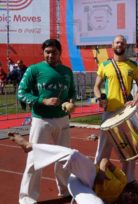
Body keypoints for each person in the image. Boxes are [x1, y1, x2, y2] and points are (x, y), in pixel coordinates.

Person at [17, 39, 76, 204]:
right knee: (34, 159)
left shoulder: (67, 71)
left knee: (64, 158)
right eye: (47, 52)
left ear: (60, 53)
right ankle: (27, 198)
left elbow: (72, 92)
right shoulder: (33, 70)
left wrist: (70, 102)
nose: (51, 55)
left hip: (63, 120)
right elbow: (21, 93)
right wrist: (43, 101)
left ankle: (65, 190)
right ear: (43, 53)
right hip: (41, 120)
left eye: (54, 52)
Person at [8, 133, 138, 204]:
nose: (130, 197)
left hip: (79, 184)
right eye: (133, 196)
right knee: (73, 155)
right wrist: (101, 172)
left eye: (131, 201)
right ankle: (30, 146)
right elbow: (105, 160)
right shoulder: (122, 180)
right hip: (92, 174)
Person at [93, 35, 138, 184]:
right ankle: (97, 179)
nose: (119, 44)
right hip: (109, 113)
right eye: (117, 42)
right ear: (112, 45)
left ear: (125, 45)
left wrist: (135, 100)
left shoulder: (133, 66)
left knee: (129, 150)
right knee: (103, 149)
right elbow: (97, 86)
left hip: (126, 113)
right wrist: (99, 98)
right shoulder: (104, 65)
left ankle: (129, 181)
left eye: (122, 42)